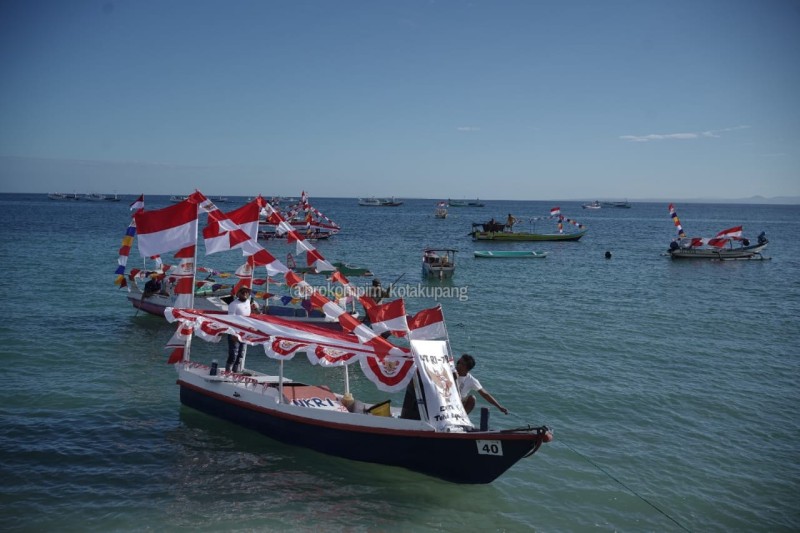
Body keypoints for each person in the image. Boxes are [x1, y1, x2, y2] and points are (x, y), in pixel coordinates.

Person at [225, 286, 254, 372]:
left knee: (241, 354)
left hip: (245, 332)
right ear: (238, 294)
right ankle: (228, 372)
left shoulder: (248, 302)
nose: (245, 293)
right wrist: (233, 333)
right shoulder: (233, 305)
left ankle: (235, 372)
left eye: (246, 292)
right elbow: (230, 320)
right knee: (233, 354)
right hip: (235, 332)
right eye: (242, 292)